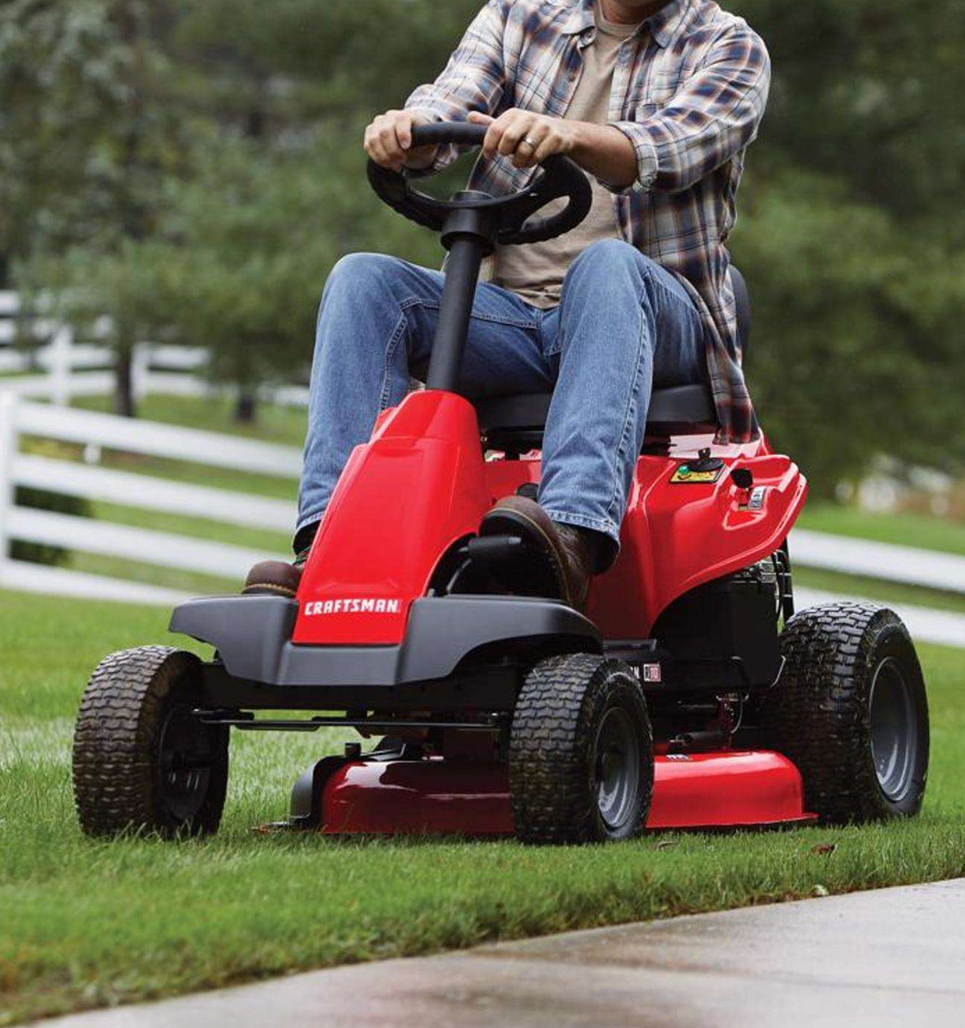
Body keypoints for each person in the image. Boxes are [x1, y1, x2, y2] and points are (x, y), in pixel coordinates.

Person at [245, 0, 770, 610]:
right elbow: (452, 99)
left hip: (657, 318)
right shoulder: (519, 18)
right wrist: (408, 133)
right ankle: (331, 543)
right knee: (363, 281)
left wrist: (568, 135)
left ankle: (569, 538)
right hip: (513, 321)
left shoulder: (728, 46)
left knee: (606, 267)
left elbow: (667, 148)